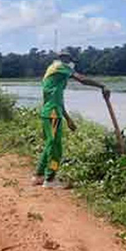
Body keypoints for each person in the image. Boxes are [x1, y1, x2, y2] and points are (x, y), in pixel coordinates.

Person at [33, 50, 109, 189]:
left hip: (50, 112)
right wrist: (101, 85)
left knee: (50, 145)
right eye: (69, 60)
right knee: (56, 148)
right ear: (65, 59)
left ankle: (39, 176)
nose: (70, 64)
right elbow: (82, 79)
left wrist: (68, 118)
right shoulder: (60, 66)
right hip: (53, 114)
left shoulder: (53, 72)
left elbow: (58, 100)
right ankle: (50, 179)